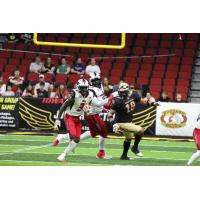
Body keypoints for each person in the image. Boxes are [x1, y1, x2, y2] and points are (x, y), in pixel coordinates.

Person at [53, 73, 113, 159]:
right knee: (75, 137)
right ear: (78, 88)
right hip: (71, 116)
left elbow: (95, 104)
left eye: (85, 88)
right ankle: (100, 152)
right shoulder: (75, 94)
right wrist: (58, 118)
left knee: (79, 138)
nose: (84, 90)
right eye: (82, 88)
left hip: (79, 117)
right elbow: (64, 105)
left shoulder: (90, 94)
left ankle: (63, 142)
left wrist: (98, 109)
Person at [107, 82, 158, 160]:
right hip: (121, 123)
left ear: (128, 91)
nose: (123, 94)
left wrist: (152, 103)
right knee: (141, 130)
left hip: (128, 121)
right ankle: (135, 148)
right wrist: (113, 124)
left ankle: (124, 156)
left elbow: (144, 102)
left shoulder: (133, 94)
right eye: (121, 92)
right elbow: (110, 114)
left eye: (124, 92)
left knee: (128, 138)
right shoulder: (117, 100)